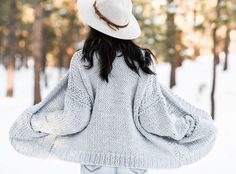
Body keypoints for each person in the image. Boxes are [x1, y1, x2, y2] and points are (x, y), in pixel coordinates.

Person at [9, 0, 218, 174]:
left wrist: (36, 122)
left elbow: (75, 119)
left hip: (95, 163)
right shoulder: (142, 61)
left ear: (94, 24)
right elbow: (153, 119)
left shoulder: (84, 61)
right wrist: (185, 126)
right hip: (135, 163)